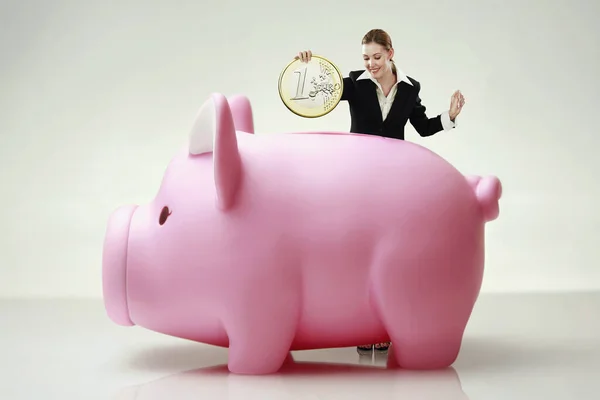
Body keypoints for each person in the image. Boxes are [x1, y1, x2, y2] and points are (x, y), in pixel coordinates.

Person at [293, 28, 465, 355]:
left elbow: (424, 127)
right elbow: (318, 92)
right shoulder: (353, 83)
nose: (370, 63)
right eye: (365, 58)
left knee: (388, 253)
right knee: (357, 250)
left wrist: (450, 117)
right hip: (358, 177)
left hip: (394, 181)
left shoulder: (411, 88)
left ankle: (382, 326)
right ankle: (361, 324)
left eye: (376, 57)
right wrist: (306, 66)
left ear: (390, 53)